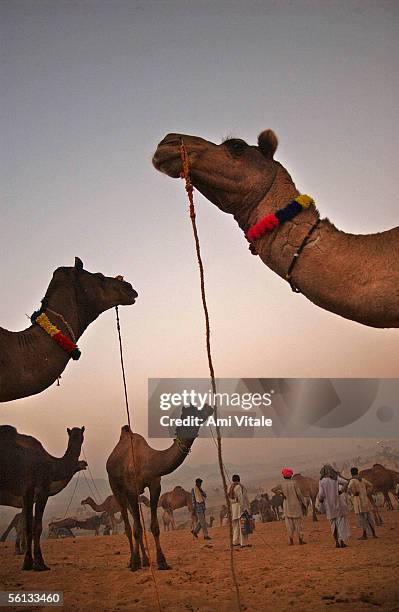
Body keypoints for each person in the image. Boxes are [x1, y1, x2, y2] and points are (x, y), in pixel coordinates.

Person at [318, 464, 350, 548]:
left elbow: (321, 494)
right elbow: (346, 482)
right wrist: (341, 491)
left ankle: (336, 542)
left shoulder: (322, 482)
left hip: (329, 506)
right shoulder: (335, 479)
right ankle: (341, 541)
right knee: (341, 524)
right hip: (338, 504)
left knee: (333, 524)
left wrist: (321, 500)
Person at [273, 467, 307, 545]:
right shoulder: (294, 483)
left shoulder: (282, 484)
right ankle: (300, 540)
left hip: (287, 507)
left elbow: (273, 490)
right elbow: (299, 494)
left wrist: (281, 493)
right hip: (296, 506)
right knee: (298, 524)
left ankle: (291, 540)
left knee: (289, 525)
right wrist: (304, 503)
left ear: (283, 476)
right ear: (291, 475)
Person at [348, 467, 377, 540]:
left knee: (362, 519)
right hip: (366, 501)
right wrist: (367, 493)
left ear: (351, 473)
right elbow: (371, 485)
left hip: (358, 502)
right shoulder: (362, 479)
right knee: (369, 517)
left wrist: (353, 494)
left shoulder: (352, 481)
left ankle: (365, 535)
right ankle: (373, 533)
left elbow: (349, 489)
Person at [228, 474, 251, 548]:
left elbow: (229, 499)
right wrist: (245, 508)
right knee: (243, 526)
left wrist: (234, 500)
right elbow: (242, 499)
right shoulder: (240, 487)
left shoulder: (230, 487)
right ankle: (243, 543)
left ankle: (235, 542)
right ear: (239, 479)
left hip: (233, 508)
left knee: (235, 527)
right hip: (240, 509)